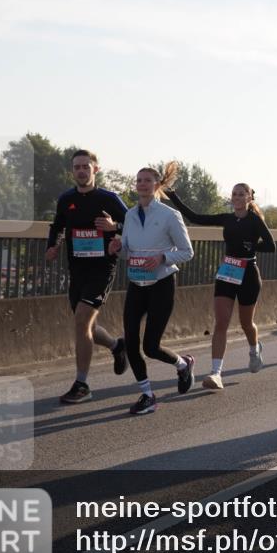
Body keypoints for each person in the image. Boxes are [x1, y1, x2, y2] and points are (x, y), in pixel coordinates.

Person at [166, 183, 276, 389]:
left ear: (249, 198)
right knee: (221, 323)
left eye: (241, 194)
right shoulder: (227, 218)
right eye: (234, 194)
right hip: (227, 272)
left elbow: (271, 246)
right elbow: (195, 218)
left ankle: (254, 348)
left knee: (246, 324)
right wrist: (173, 196)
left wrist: (252, 246)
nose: (236, 197)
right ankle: (216, 373)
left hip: (248, 273)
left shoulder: (255, 221)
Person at [109, 164, 195, 415]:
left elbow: (187, 252)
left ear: (157, 186)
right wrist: (117, 248)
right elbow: (127, 252)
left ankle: (182, 364)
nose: (142, 184)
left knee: (151, 347)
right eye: (139, 180)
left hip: (162, 284)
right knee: (132, 343)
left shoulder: (169, 215)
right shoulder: (130, 216)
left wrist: (162, 258)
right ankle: (147, 395)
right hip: (136, 284)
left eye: (147, 180)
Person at [48, 150, 130, 405]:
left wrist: (114, 228)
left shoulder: (109, 198)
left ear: (96, 170)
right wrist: (53, 245)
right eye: (77, 167)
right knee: (89, 328)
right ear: (72, 171)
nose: (81, 171)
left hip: (102, 268)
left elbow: (136, 223)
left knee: (82, 320)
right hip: (77, 269)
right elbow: (58, 226)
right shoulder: (66, 199)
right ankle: (118, 346)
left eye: (86, 166)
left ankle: (82, 384)